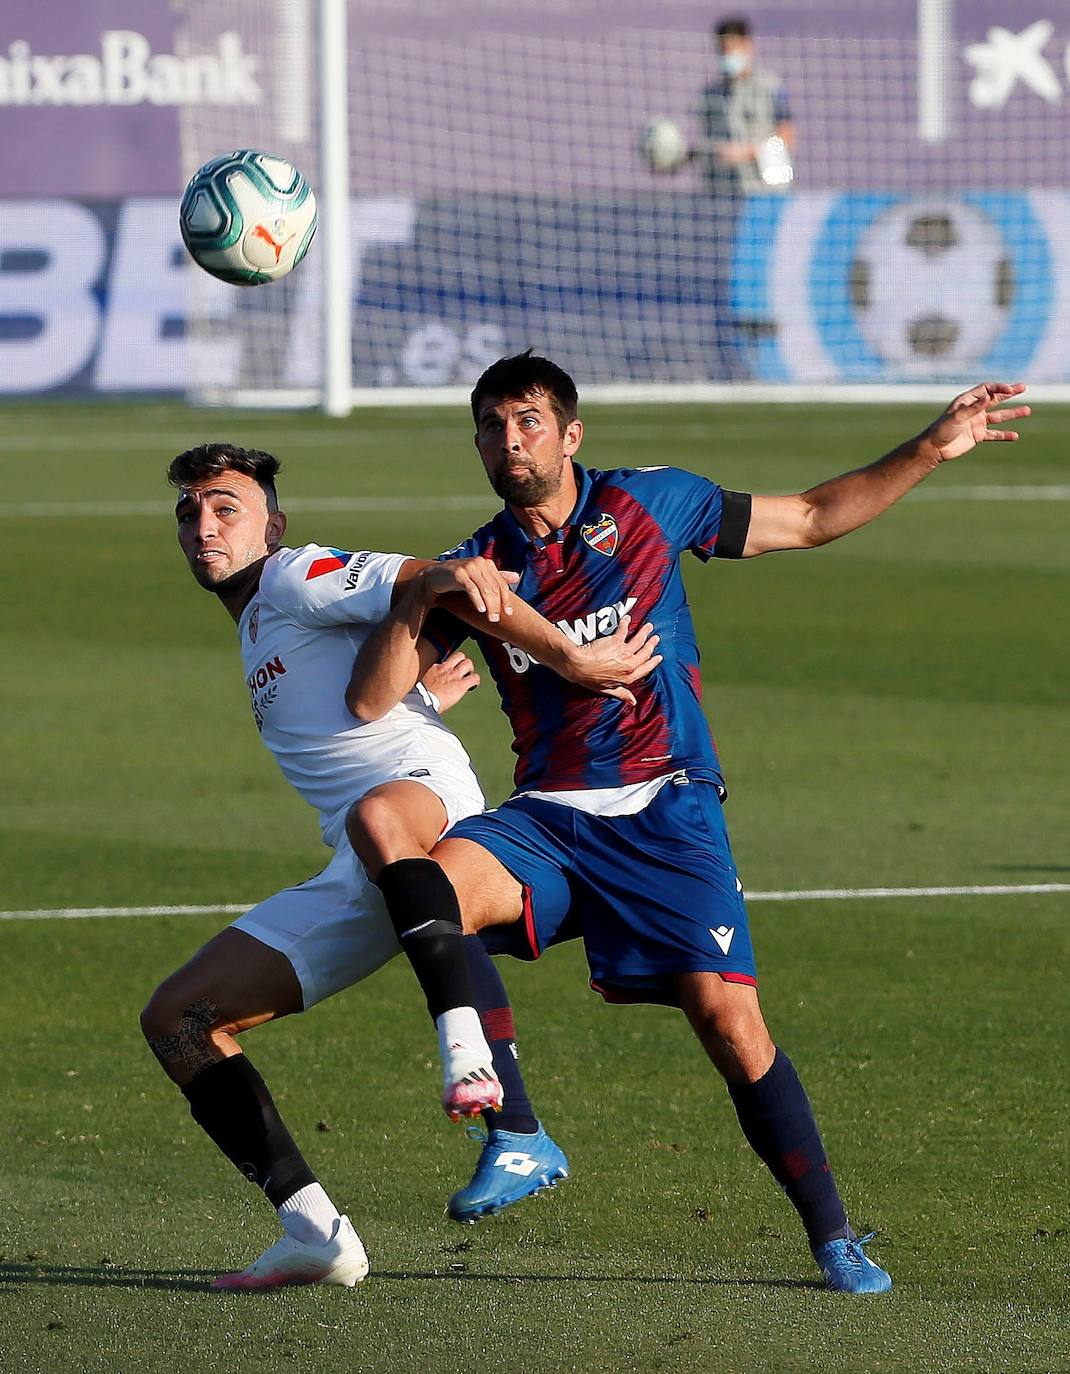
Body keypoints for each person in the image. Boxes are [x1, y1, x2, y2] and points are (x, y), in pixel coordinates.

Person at [346, 350, 1030, 1293]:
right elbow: (371, 701)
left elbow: (813, 518)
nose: (511, 442)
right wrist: (422, 592)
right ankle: (517, 1132)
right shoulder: (479, 568)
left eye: (530, 422)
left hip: (667, 806)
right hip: (546, 817)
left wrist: (930, 447)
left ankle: (832, 1236)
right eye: (494, 427)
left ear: (571, 434)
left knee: (729, 1020)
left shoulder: (651, 505)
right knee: (426, 892)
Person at [141, 441, 659, 1289]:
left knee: (377, 813)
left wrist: (571, 658)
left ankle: (469, 1056)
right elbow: (366, 669)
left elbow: (444, 576)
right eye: (190, 513)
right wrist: (420, 689)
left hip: (418, 799)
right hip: (361, 859)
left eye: (226, 508)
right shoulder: (258, 623)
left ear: (273, 524)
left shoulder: (293, 573)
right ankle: (314, 1232)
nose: (204, 526)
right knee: (179, 1022)